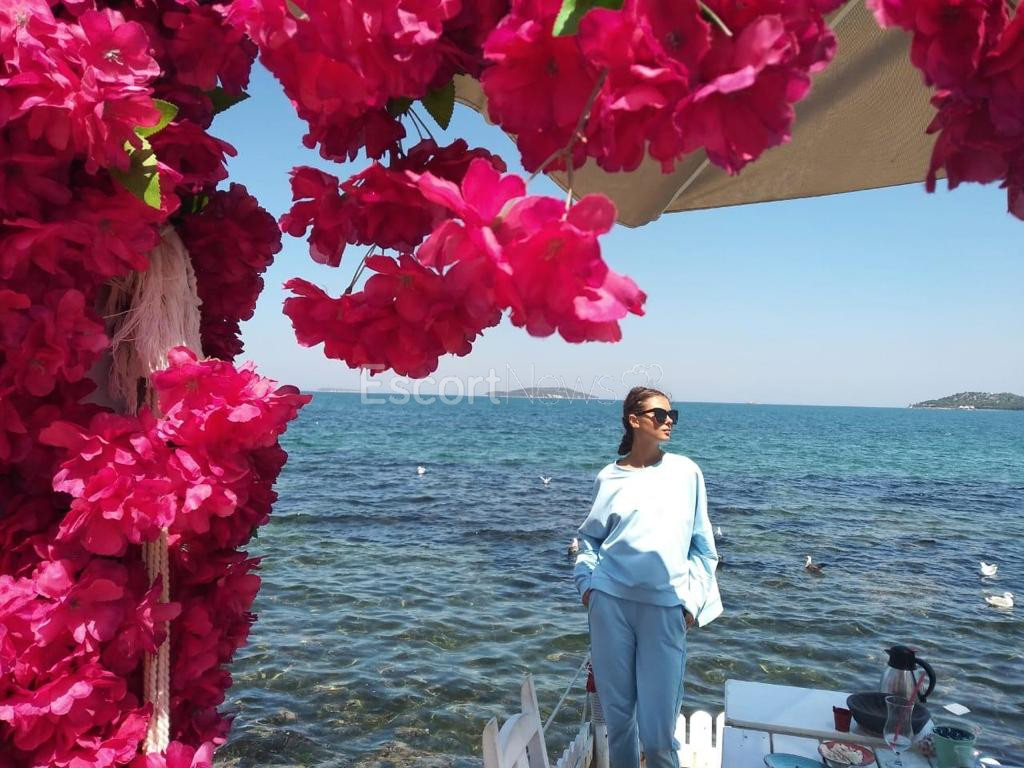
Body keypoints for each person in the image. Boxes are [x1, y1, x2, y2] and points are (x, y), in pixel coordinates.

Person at [574, 386, 722, 768]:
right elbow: (589, 541)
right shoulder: (608, 477)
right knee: (619, 727)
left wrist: (691, 604)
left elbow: (704, 549)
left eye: (673, 415)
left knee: (658, 739)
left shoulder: (687, 472)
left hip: (665, 611)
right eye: (659, 414)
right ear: (634, 420)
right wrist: (588, 588)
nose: (668, 420)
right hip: (609, 608)